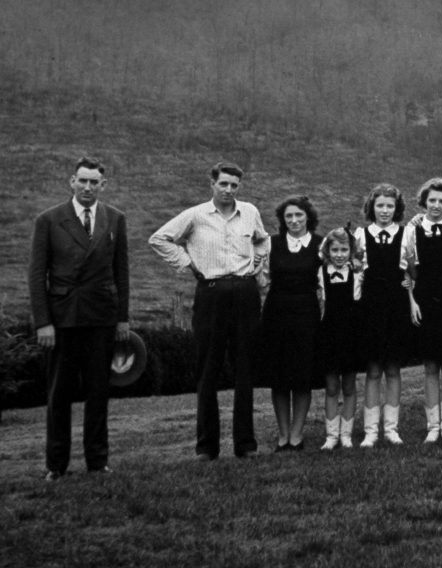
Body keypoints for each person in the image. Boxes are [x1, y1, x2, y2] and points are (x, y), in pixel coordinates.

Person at [149, 160, 269, 460]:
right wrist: (187, 263)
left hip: (244, 293)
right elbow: (159, 239)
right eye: (223, 184)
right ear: (212, 184)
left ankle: (246, 445)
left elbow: (263, 239)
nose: (228, 190)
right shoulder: (195, 215)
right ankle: (206, 447)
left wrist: (256, 263)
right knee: (208, 370)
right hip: (211, 294)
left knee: (245, 369)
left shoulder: (250, 212)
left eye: (234, 185)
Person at [28, 157, 130, 480]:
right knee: (59, 394)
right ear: (71, 181)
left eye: (94, 182)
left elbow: (122, 273)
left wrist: (122, 318)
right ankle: (55, 465)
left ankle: (97, 461)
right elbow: (35, 275)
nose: (88, 187)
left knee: (98, 392)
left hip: (101, 318)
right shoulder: (49, 220)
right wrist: (43, 322)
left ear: (104, 185)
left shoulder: (115, 219)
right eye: (82, 181)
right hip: (62, 320)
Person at [402, 177, 442, 443]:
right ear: (424, 202)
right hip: (425, 298)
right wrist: (412, 302)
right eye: (432, 201)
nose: (437, 205)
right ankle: (432, 426)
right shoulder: (413, 229)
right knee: (430, 365)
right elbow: (408, 269)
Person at [256, 195, 322, 452]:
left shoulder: (320, 244)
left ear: (308, 217)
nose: (294, 221)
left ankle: (297, 435)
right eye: (289, 217)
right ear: (283, 221)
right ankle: (283, 435)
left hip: (307, 315)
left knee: (302, 377)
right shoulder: (271, 244)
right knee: (280, 377)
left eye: (299, 215)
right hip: (276, 314)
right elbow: (261, 279)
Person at [359, 183, 413, 447]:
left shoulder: (406, 234)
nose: (384, 210)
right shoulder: (360, 235)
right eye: (380, 205)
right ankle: (370, 431)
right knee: (372, 369)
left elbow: (413, 270)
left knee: (393, 368)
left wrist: (409, 286)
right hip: (370, 307)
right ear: (372, 207)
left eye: (390, 206)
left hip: (396, 306)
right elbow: (356, 272)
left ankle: (391, 428)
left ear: (397, 208)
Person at [317, 226, 364, 450]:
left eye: (344, 249)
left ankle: (346, 434)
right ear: (327, 251)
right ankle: (331, 435)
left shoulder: (357, 272)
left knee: (349, 386)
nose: (339, 254)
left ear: (351, 251)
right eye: (334, 249)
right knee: (331, 386)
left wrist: (358, 261)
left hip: (352, 334)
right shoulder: (320, 272)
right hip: (329, 334)